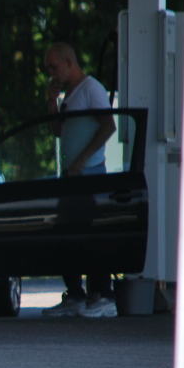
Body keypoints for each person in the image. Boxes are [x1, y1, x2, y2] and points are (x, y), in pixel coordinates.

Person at [41, 41, 118, 319]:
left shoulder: (91, 89)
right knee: (66, 233)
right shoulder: (69, 94)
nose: (51, 73)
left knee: (90, 234)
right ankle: (75, 293)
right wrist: (52, 102)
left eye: (54, 67)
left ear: (69, 63)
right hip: (72, 175)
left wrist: (83, 160)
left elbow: (108, 125)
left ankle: (102, 293)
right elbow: (58, 131)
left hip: (89, 173)